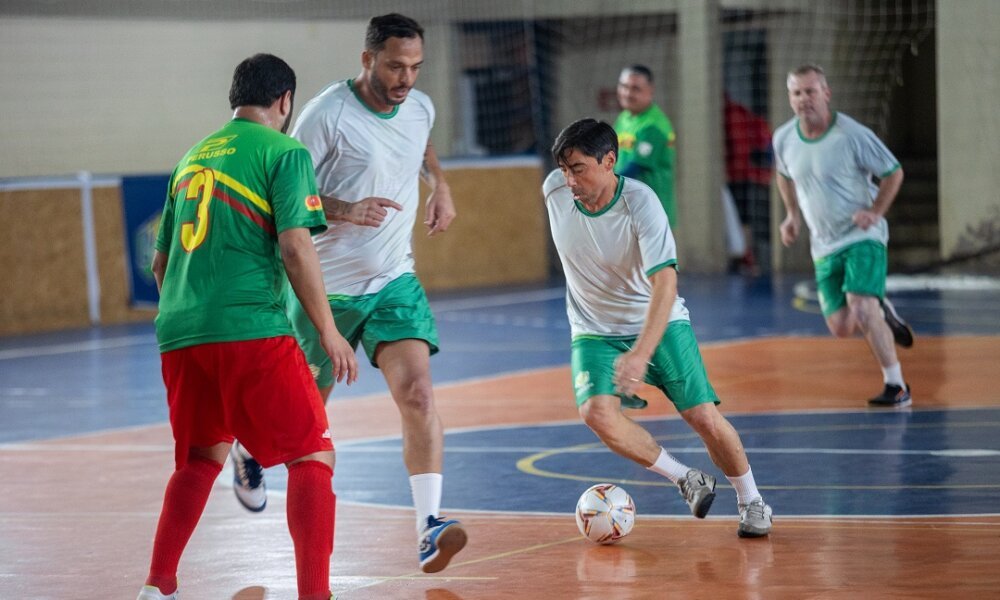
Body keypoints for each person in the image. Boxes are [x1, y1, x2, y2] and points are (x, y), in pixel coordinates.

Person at [228, 14, 466, 574]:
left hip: (392, 280)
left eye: (414, 67)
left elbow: (422, 143)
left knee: (420, 396)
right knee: (302, 415)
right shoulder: (327, 116)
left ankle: (428, 526)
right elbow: (284, 189)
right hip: (324, 289)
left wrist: (442, 186)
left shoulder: (420, 104)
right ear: (366, 60)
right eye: (393, 66)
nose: (406, 78)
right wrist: (343, 209)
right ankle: (250, 449)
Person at [137, 54, 358, 600]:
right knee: (312, 454)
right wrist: (327, 331)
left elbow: (161, 264)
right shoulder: (284, 151)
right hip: (251, 327)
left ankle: (156, 586)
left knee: (200, 458)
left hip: (179, 333)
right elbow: (295, 245)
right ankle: (316, 595)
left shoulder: (191, 159)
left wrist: (189, 319)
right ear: (285, 102)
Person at [543, 118, 773, 538]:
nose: (569, 179)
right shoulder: (554, 192)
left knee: (703, 417)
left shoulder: (641, 203)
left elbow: (665, 281)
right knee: (596, 412)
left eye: (578, 168)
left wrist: (641, 352)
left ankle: (752, 500)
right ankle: (685, 478)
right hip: (593, 328)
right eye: (563, 168)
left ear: (609, 161)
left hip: (658, 321)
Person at [773, 63, 915, 408]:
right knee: (841, 326)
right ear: (790, 98)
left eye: (810, 91)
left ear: (826, 93)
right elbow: (784, 175)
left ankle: (896, 385)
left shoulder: (852, 134)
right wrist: (792, 215)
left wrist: (875, 213)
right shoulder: (783, 138)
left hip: (862, 235)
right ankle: (881, 305)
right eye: (796, 93)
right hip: (824, 244)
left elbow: (893, 173)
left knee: (861, 308)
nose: (804, 98)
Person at [613, 65, 678, 228]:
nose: (627, 93)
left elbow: (636, 167)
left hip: (651, 212)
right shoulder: (624, 118)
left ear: (650, 90)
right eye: (624, 86)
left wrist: (602, 186)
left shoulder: (654, 125)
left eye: (635, 89)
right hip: (627, 208)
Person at [724, 94, 773, 275]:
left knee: (744, 218)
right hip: (747, 174)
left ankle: (747, 259)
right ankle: (746, 258)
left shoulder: (734, 114)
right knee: (744, 218)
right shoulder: (742, 113)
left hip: (741, 175)